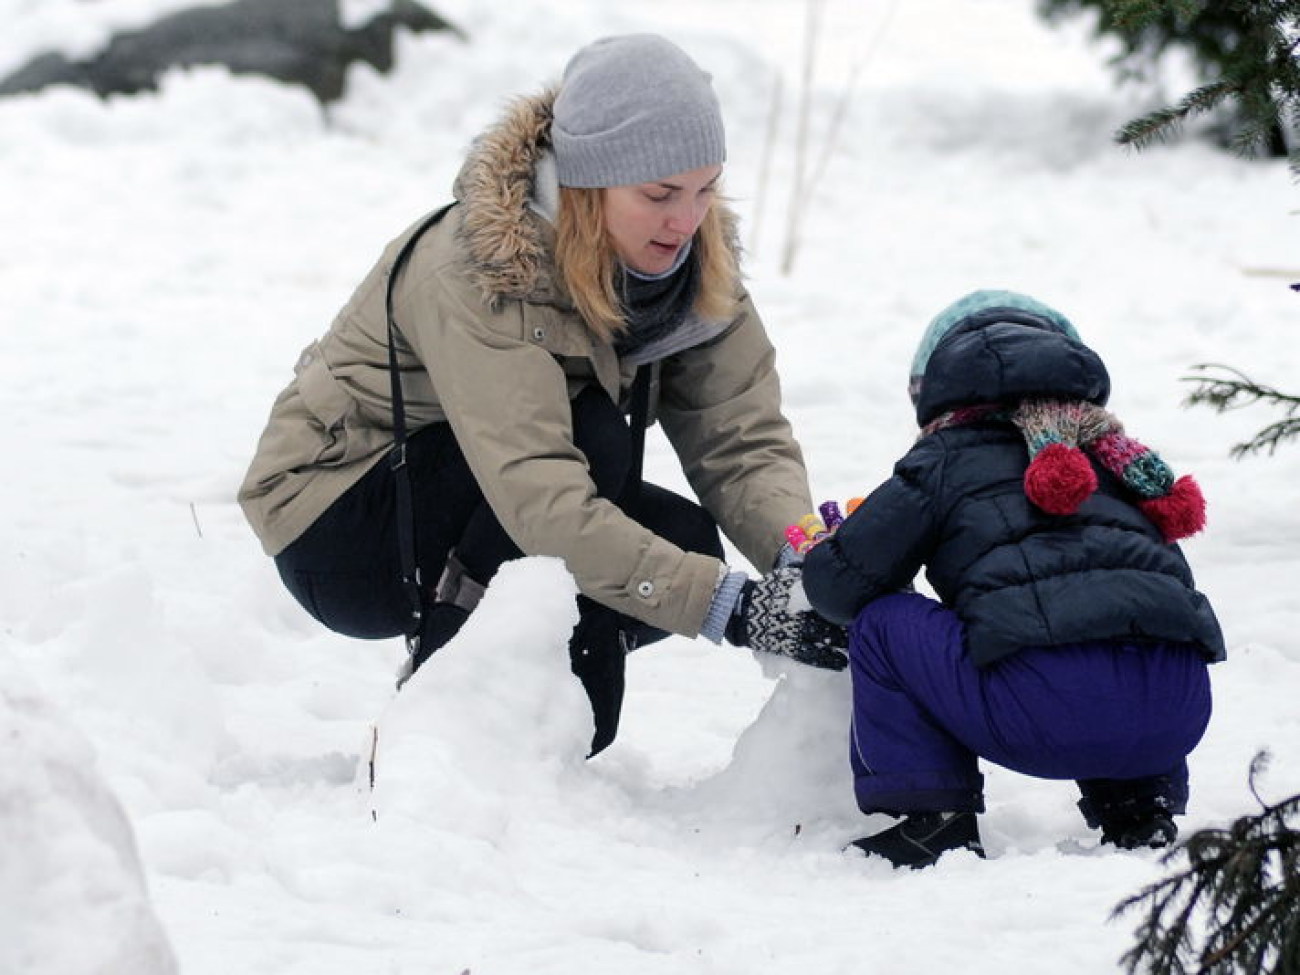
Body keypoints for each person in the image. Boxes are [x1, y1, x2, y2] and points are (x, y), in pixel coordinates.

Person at [238, 33, 847, 757]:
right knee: (597, 437)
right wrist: (730, 607)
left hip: (497, 493)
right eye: (658, 194)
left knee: (681, 546)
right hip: (338, 521)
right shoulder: (481, 269)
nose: (686, 221)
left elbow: (739, 436)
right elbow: (540, 493)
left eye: (704, 188)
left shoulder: (690, 265)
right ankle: (450, 711)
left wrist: (806, 558)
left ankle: (528, 700)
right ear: (589, 184)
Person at [801, 290, 1225, 869]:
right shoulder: (1118, 455)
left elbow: (838, 588)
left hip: (1043, 720)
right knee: (1121, 609)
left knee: (883, 621)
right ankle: (1139, 806)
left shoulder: (946, 457)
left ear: (935, 384)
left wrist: (834, 544)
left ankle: (935, 820)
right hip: (1176, 713)